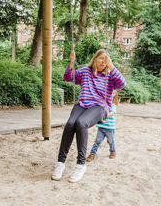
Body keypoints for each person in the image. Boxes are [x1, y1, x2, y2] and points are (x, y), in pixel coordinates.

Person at [51, 49, 126, 183]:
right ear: (95, 59)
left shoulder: (110, 75)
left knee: (81, 123)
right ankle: (60, 163)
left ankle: (80, 165)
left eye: (106, 59)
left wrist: (111, 66)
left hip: (100, 107)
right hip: (82, 104)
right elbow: (68, 77)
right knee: (70, 124)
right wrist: (71, 62)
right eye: (101, 58)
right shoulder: (86, 72)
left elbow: (122, 84)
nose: (104, 61)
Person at [86, 90, 118, 162]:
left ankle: (112, 151)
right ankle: (92, 154)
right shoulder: (102, 104)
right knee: (97, 141)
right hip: (101, 127)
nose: (110, 94)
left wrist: (102, 115)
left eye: (113, 93)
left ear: (114, 95)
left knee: (110, 141)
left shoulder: (113, 105)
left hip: (109, 128)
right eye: (110, 92)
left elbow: (111, 113)